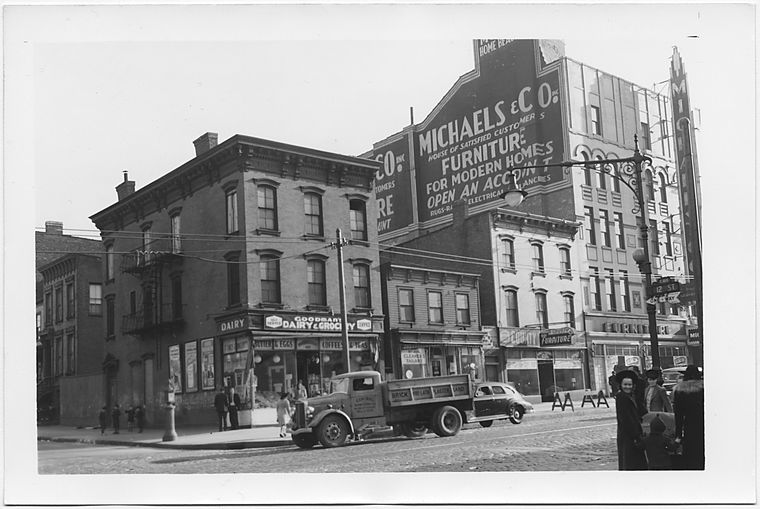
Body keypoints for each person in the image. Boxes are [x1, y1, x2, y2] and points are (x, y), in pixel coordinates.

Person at [672, 365, 704, 470]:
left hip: (689, 425)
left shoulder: (680, 390)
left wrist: (678, 435)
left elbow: (678, 415)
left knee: (691, 453)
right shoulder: (704, 389)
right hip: (704, 424)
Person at [614, 369, 647, 470]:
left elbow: (641, 411)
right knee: (630, 462)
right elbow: (626, 418)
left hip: (632, 434)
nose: (627, 387)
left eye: (629, 384)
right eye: (625, 384)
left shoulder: (631, 396)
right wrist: (636, 435)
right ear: (621, 385)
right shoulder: (621, 397)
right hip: (628, 435)